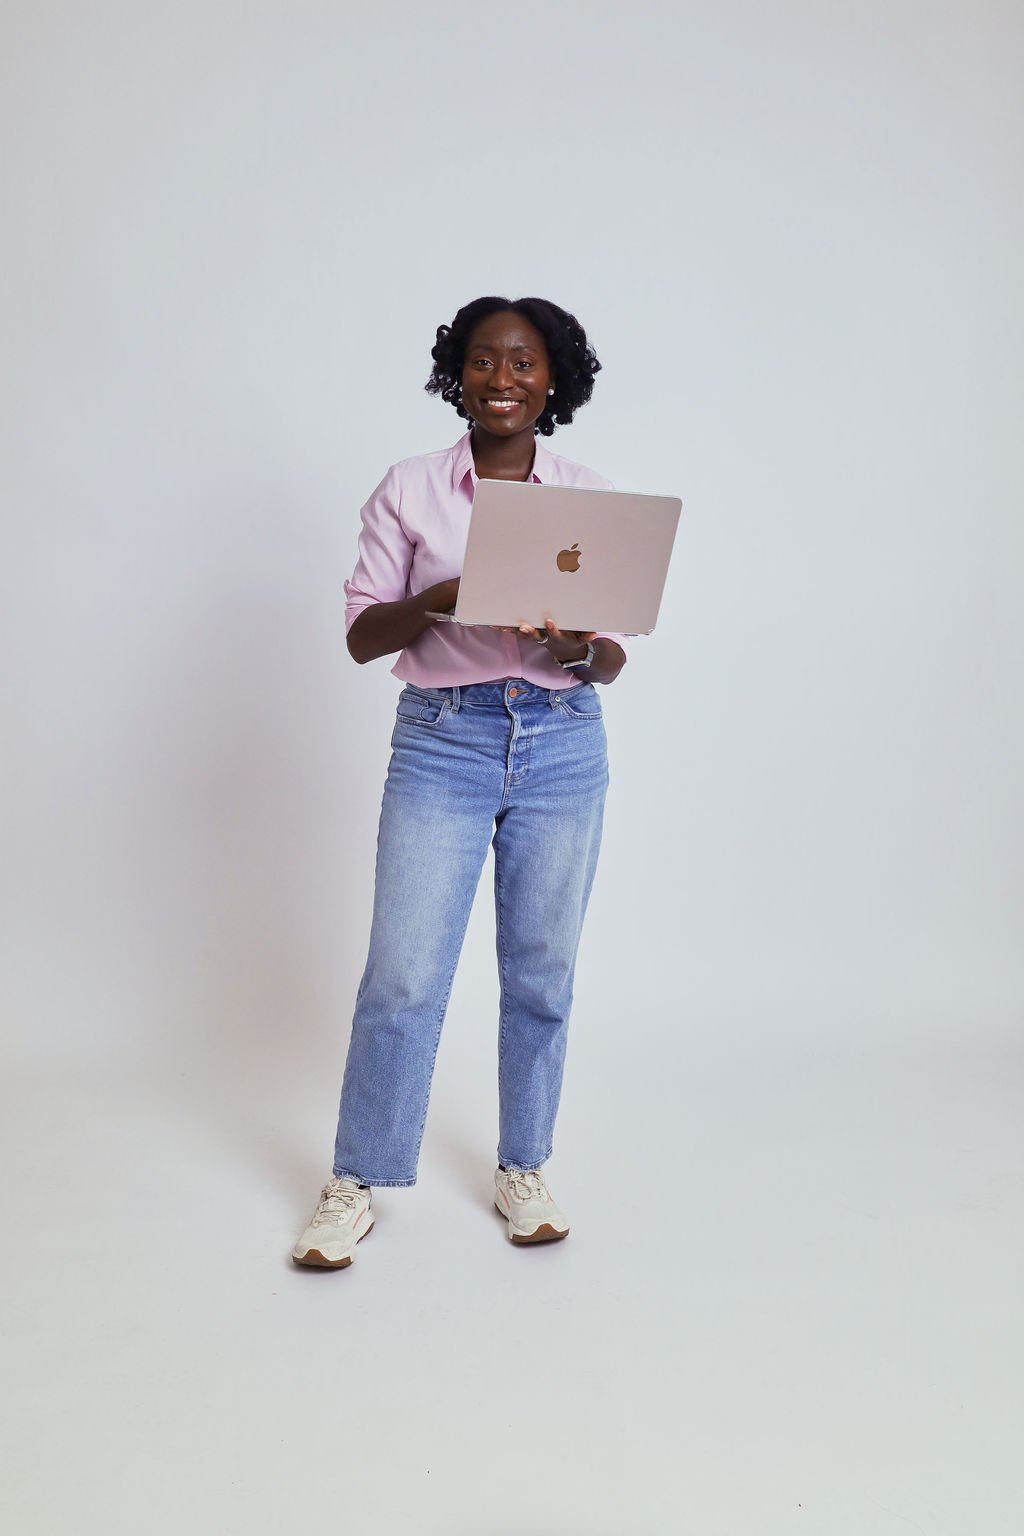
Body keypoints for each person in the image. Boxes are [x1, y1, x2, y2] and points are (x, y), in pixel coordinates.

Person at [292, 296, 627, 1268]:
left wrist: (574, 646)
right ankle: (356, 1178)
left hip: (562, 741)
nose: (503, 380)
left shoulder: (585, 498)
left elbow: (607, 662)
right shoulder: (408, 490)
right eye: (484, 361)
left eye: (523, 363)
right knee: (401, 976)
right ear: (458, 375)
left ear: (551, 379)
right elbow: (361, 637)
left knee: (541, 974)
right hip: (444, 738)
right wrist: (440, 600)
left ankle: (524, 1168)